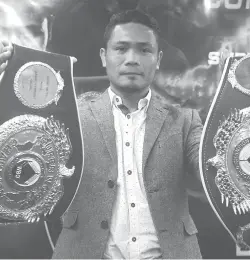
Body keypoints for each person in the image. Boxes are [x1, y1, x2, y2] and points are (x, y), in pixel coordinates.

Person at [0, 9, 205, 259]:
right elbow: (16, 142)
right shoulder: (72, 115)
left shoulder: (185, 120)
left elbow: (209, 167)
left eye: (144, 50)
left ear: (158, 59)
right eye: (121, 48)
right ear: (103, 57)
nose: (132, 59)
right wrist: (7, 80)